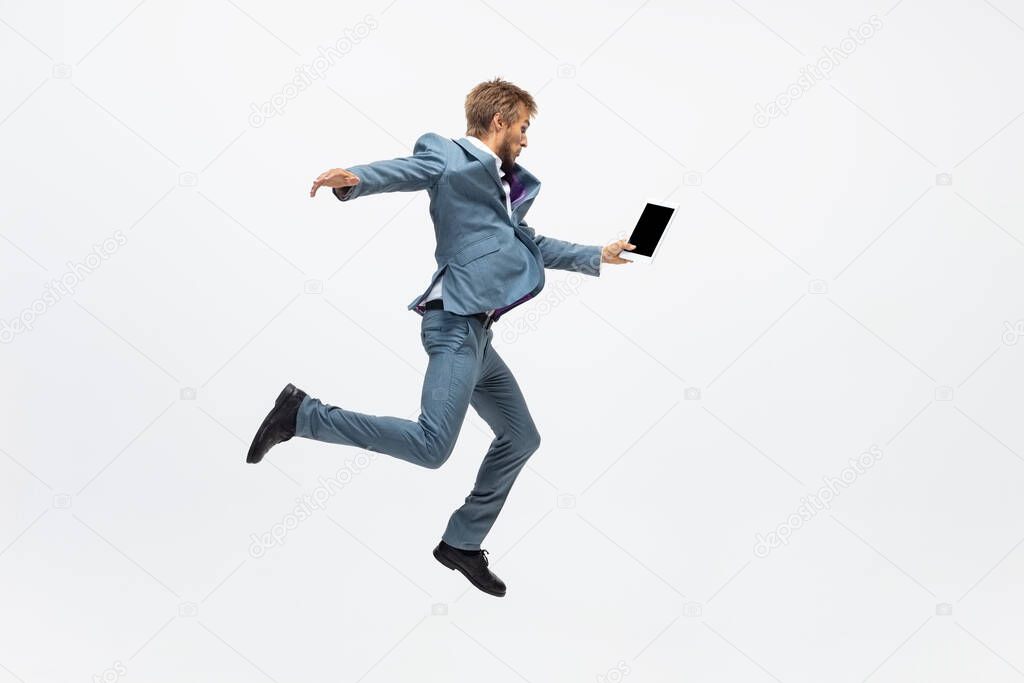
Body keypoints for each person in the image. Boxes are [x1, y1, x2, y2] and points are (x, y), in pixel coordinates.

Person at [246, 77, 635, 597]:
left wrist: (596, 254)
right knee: (433, 447)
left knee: (521, 437)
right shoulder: (450, 157)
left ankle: (462, 543)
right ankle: (303, 415)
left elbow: (529, 243)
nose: (525, 139)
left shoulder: (503, 185)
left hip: (479, 338)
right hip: (453, 326)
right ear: (498, 122)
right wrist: (354, 179)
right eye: (522, 127)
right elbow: (411, 170)